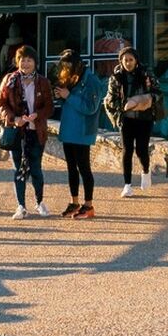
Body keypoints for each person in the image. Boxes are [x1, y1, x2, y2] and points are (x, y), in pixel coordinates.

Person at [0, 43, 54, 218]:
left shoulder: (43, 82)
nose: (26, 64)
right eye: (22, 60)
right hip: (17, 131)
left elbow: (50, 106)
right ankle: (21, 206)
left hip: (36, 130)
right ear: (17, 62)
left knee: (35, 168)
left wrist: (37, 114)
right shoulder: (10, 80)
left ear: (35, 62)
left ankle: (39, 202)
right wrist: (14, 118)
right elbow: (1, 103)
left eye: (29, 60)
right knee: (18, 169)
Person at [53, 48, 105, 218]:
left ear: (77, 64)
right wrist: (61, 95)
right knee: (71, 169)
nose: (66, 68)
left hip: (82, 131)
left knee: (84, 168)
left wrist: (68, 96)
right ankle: (74, 202)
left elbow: (91, 108)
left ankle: (88, 205)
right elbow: (69, 101)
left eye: (69, 64)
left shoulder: (92, 81)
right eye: (64, 65)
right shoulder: (70, 77)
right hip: (69, 129)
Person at [106, 46, 163, 196]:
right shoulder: (116, 77)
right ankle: (127, 185)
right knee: (127, 150)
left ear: (136, 60)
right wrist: (123, 108)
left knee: (141, 150)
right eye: (125, 60)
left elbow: (158, 92)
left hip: (144, 119)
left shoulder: (146, 74)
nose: (128, 63)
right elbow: (111, 99)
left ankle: (145, 171)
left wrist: (145, 100)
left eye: (131, 60)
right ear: (121, 61)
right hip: (126, 119)